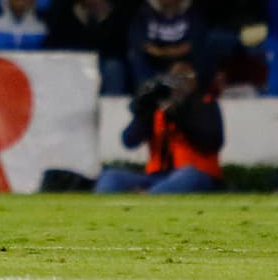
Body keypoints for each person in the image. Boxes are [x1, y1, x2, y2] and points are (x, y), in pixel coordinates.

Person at [94, 60, 224, 193]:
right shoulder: (157, 108)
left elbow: (211, 143)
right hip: (157, 176)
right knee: (110, 177)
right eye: (174, 78)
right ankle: (147, 196)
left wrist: (179, 114)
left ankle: (147, 199)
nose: (180, 83)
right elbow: (129, 141)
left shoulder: (205, 104)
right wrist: (143, 110)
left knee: (187, 175)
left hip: (197, 174)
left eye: (185, 77)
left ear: (194, 81)